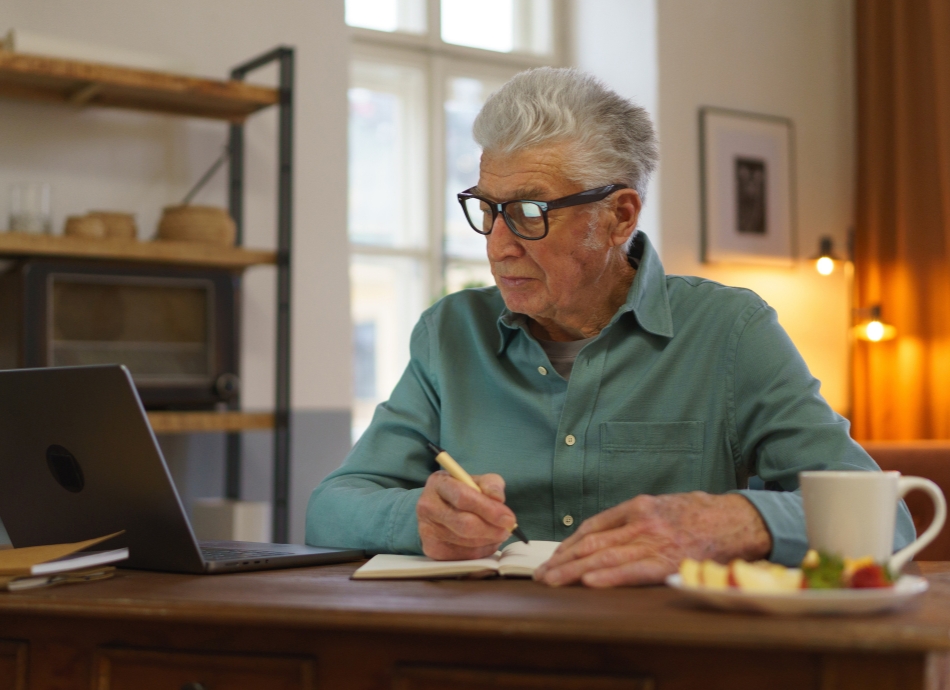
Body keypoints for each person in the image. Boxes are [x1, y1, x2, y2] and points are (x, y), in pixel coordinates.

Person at [307, 67, 914, 587]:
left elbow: (886, 523)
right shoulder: (449, 334)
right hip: (485, 649)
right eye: (487, 209)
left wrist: (731, 522)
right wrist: (417, 519)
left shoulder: (731, 332)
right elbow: (330, 509)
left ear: (619, 215)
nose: (497, 245)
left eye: (527, 212)